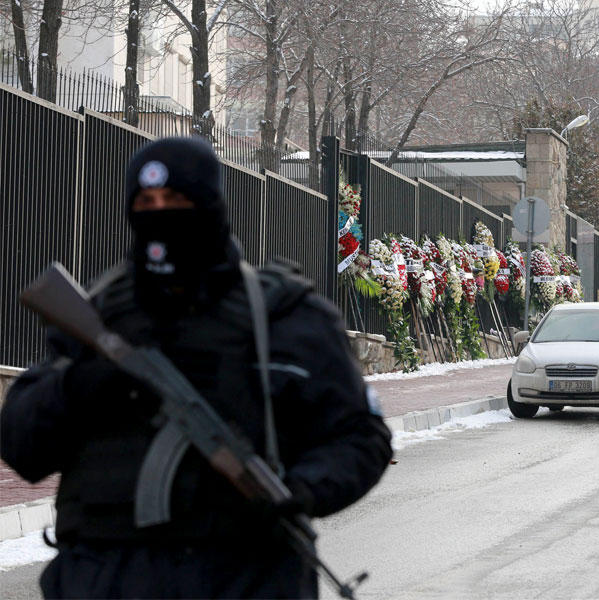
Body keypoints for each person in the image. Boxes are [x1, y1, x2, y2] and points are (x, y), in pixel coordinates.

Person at [0, 137, 393, 599]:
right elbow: (21, 445)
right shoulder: (100, 316)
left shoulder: (284, 317)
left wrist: (299, 491)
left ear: (211, 205)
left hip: (244, 579)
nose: (161, 211)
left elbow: (361, 437)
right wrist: (80, 385)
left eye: (177, 199)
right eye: (147, 201)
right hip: (106, 579)